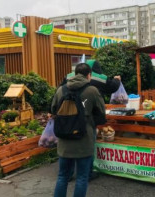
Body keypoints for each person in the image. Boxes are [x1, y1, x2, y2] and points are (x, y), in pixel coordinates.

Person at [52, 63, 106, 197]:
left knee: (62, 176)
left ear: (75, 74)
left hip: (64, 140)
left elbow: (53, 109)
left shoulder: (61, 90)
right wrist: (90, 122)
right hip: (84, 139)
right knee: (82, 178)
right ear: (89, 75)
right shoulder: (92, 90)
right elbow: (101, 114)